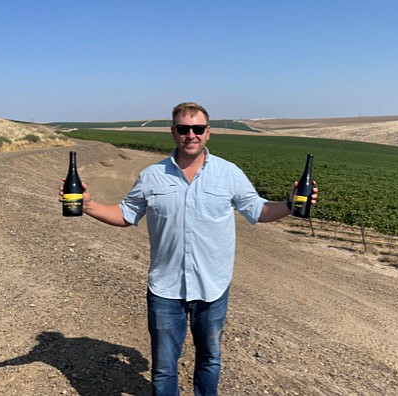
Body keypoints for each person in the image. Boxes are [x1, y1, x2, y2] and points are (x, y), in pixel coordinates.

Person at [60, 102, 318, 395]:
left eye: (197, 129)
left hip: (213, 288)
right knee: (164, 366)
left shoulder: (228, 173)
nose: (191, 135)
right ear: (174, 132)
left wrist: (288, 203)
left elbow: (258, 210)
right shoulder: (151, 176)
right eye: (184, 129)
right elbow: (126, 214)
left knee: (209, 359)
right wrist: (90, 205)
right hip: (165, 289)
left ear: (208, 133)